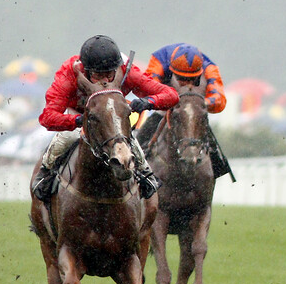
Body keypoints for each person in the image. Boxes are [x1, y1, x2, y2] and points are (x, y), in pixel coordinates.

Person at [34, 35, 179, 201]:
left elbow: (171, 95)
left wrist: (148, 102)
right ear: (86, 71)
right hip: (80, 113)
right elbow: (47, 117)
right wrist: (77, 121)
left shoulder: (126, 71)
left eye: (109, 75)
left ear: (116, 69)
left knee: (123, 135)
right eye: (97, 75)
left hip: (112, 114)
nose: (104, 81)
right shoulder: (69, 73)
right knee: (69, 135)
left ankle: (145, 172)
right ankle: (45, 172)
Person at [140, 43, 231, 179]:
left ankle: (218, 168)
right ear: (172, 71)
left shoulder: (210, 67)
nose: (187, 84)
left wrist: (202, 104)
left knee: (202, 127)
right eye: (182, 79)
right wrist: (167, 101)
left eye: (192, 79)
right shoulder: (158, 60)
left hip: (194, 107)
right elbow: (146, 90)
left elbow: (220, 100)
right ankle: (137, 159)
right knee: (149, 125)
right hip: (166, 105)